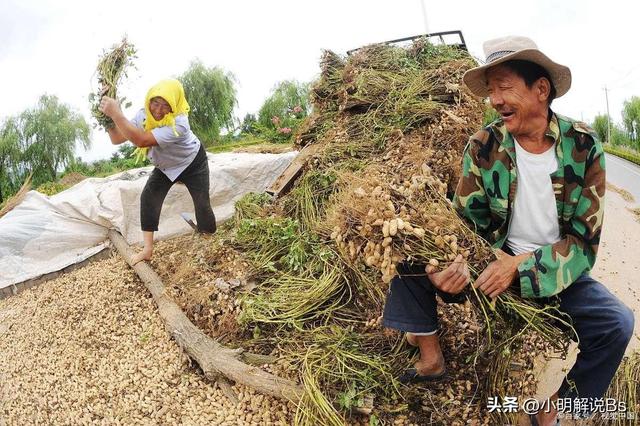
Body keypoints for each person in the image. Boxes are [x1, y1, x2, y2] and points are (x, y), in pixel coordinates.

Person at [382, 36, 634, 424]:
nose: (495, 100)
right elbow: (464, 224)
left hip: (554, 272)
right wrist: (450, 267)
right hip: (489, 264)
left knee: (617, 324)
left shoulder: (584, 147)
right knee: (410, 257)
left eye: (504, 87)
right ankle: (430, 358)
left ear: (541, 90)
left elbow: (583, 244)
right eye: (491, 91)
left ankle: (551, 411)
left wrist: (520, 266)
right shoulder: (483, 145)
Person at [99, 79, 217, 264]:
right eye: (155, 103)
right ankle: (147, 249)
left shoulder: (180, 123)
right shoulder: (142, 116)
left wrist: (117, 113)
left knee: (202, 203)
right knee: (149, 197)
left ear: (175, 105)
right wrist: (109, 116)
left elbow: (142, 140)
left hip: (192, 162)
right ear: (149, 101)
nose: (159, 110)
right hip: (166, 166)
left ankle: (208, 239)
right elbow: (116, 138)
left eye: (166, 105)